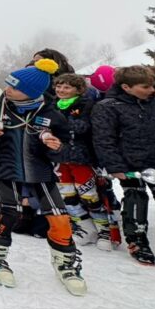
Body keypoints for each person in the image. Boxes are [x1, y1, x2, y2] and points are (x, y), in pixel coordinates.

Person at [0, 59, 86, 295]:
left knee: (59, 216)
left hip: (41, 172)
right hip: (7, 169)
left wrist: (56, 148)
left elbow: (67, 146)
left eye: (14, 87)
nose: (7, 90)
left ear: (31, 92)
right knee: (10, 213)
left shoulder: (51, 113)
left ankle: (65, 264)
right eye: (8, 84)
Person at [91, 65, 155, 265]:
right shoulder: (108, 107)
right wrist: (115, 166)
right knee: (136, 199)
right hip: (129, 164)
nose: (151, 90)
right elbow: (104, 139)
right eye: (145, 87)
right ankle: (137, 240)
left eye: (153, 86)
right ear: (126, 87)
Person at [50, 73, 110, 246]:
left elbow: (82, 127)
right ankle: (85, 227)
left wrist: (58, 123)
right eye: (59, 86)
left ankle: (104, 230)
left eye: (67, 87)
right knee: (67, 195)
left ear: (78, 89)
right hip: (58, 157)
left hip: (81, 157)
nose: (61, 90)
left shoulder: (86, 104)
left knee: (89, 195)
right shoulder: (51, 104)